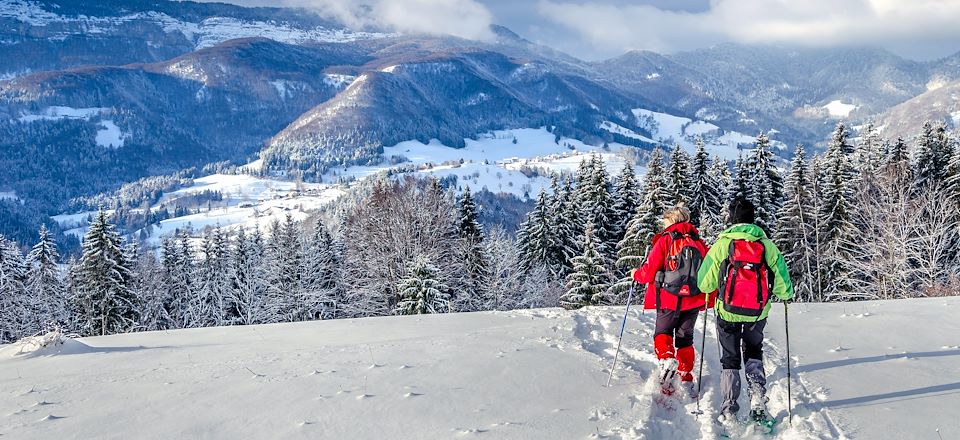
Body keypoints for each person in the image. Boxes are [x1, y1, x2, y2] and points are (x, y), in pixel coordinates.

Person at [696, 198, 793, 425]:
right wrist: (786, 295)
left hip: (727, 312)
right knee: (753, 351)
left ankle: (729, 409)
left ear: (731, 219)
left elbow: (704, 283)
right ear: (752, 218)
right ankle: (758, 397)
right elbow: (782, 281)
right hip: (756, 313)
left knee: (730, 359)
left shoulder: (722, 245)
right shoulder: (766, 246)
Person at [631, 204, 714, 398]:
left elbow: (650, 270)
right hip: (693, 300)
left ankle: (667, 360)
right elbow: (709, 270)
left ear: (672, 220)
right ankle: (685, 378)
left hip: (668, 298)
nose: (663, 223)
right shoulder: (699, 243)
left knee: (663, 333)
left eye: (665, 220)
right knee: (686, 339)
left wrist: (637, 274)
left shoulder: (665, 240)